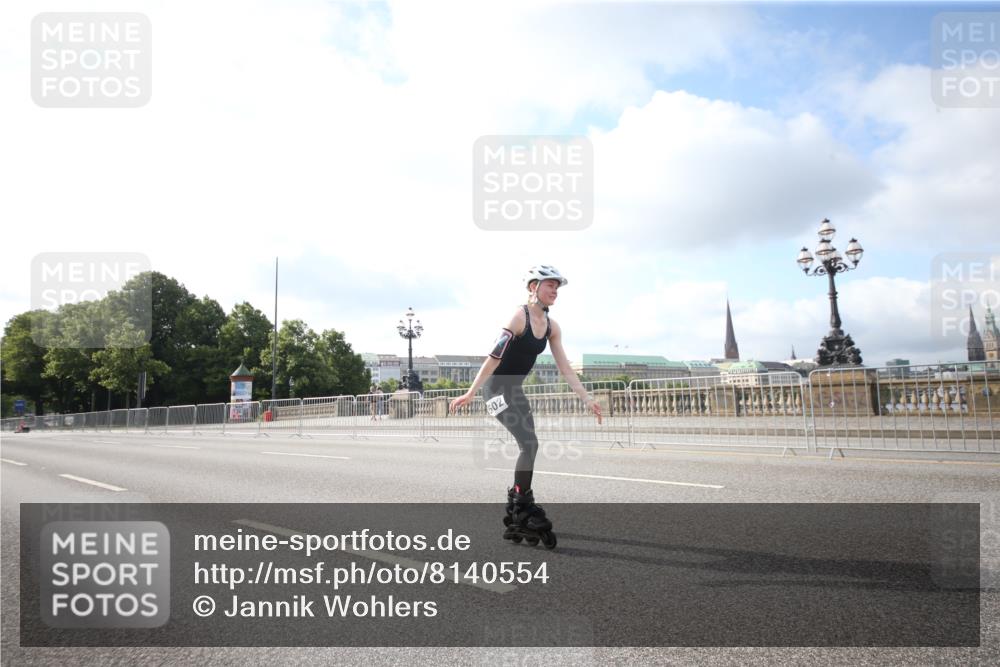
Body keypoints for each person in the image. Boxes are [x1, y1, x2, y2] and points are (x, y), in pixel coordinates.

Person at [449, 265, 602, 548]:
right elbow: (494, 357)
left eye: (557, 286)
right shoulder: (519, 317)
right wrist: (471, 392)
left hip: (515, 391)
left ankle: (517, 501)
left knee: (530, 446)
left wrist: (587, 398)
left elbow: (564, 366)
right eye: (550, 285)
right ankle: (521, 507)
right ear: (533, 287)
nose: (555, 290)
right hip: (495, 390)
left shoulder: (552, 327)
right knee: (529, 444)